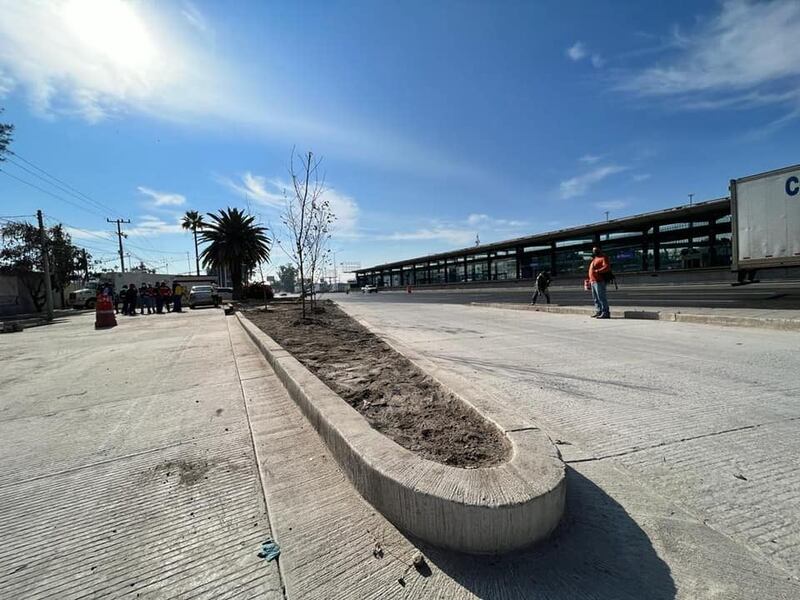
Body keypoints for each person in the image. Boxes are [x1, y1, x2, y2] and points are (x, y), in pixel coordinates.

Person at [588, 246, 612, 319]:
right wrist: (590, 279)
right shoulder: (595, 258)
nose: (594, 251)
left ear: (600, 250)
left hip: (599, 281)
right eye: (593, 250)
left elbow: (607, 267)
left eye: (596, 250)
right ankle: (599, 311)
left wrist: (598, 271)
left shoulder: (603, 257)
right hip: (593, 281)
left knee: (601, 297)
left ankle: (605, 312)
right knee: (595, 298)